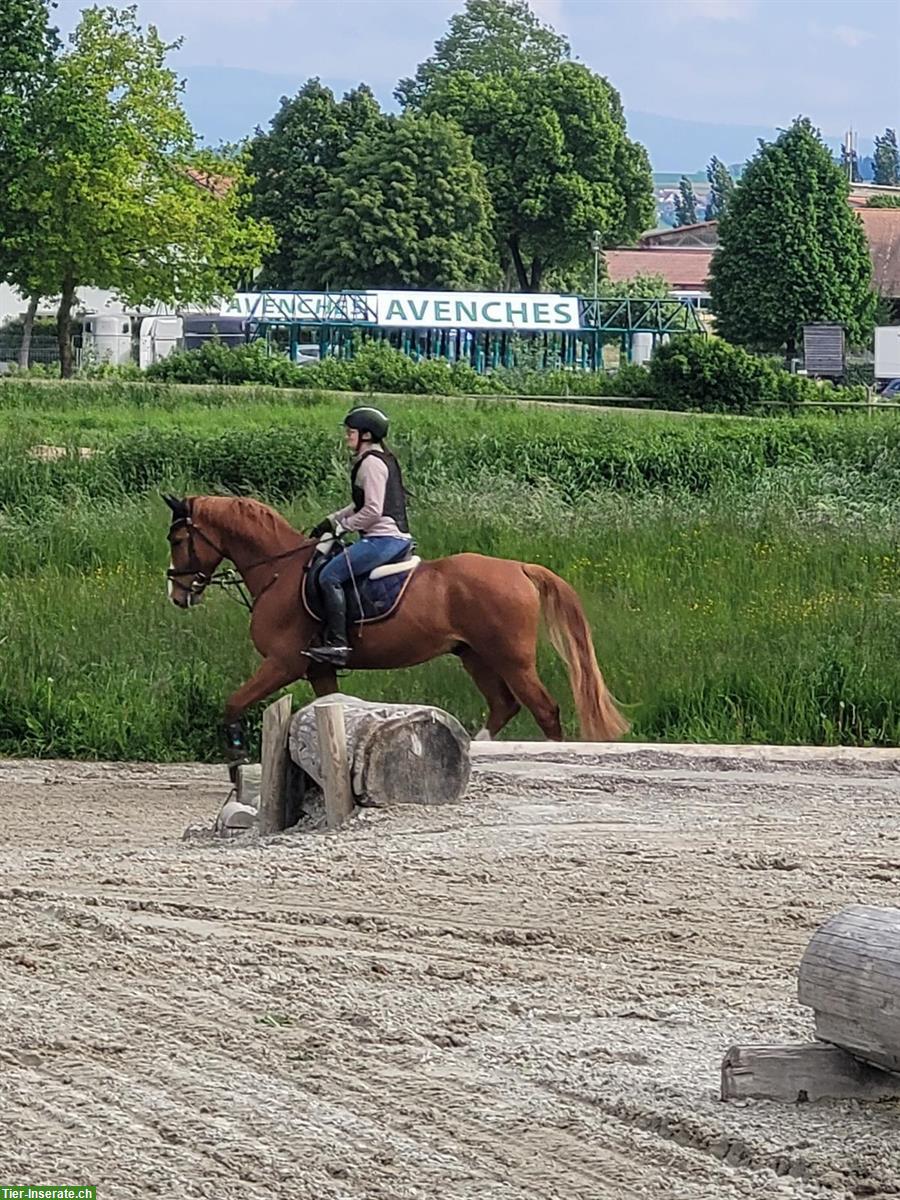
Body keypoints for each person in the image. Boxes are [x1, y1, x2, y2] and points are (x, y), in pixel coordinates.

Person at [307, 407, 412, 666]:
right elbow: (360, 505)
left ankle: (338, 643)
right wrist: (330, 521)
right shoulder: (378, 459)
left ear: (366, 435)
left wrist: (344, 528)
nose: (346, 437)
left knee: (329, 575)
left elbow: (373, 510)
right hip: (384, 536)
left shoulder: (372, 464)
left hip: (384, 539)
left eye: (350, 433)